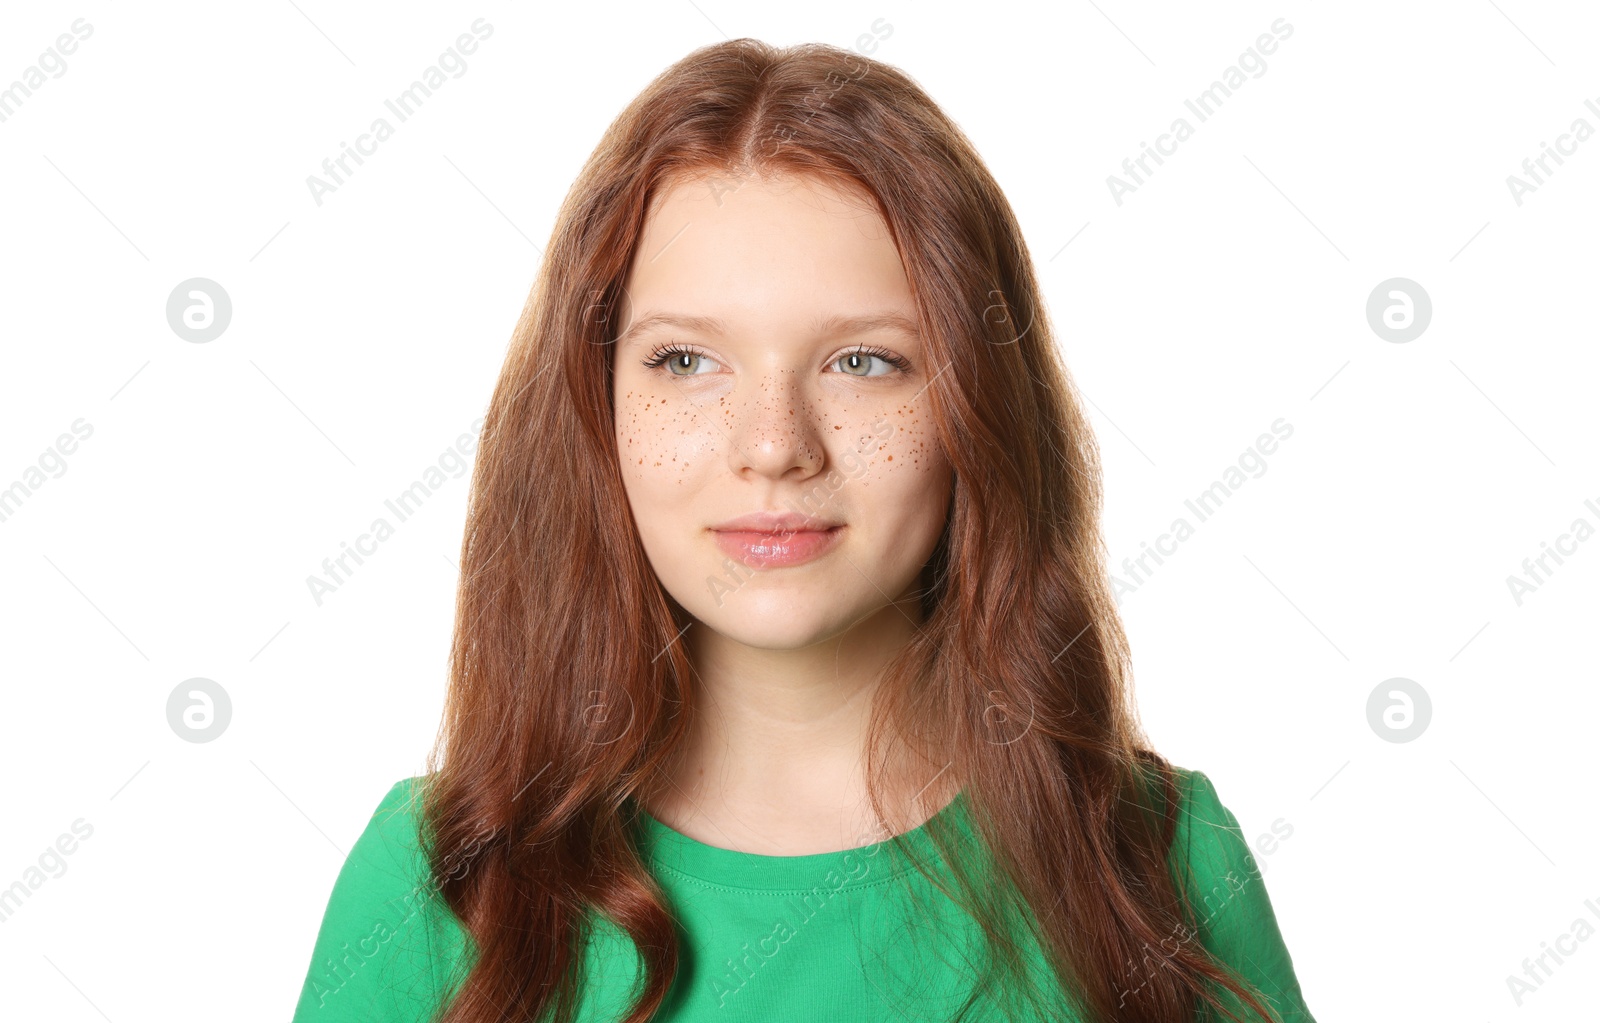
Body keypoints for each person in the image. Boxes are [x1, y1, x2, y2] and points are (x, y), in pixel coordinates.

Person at [290, 37, 1317, 1023]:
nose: (775, 446)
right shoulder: (438, 890)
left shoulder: (1162, 868)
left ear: (975, 409)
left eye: (863, 362)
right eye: (686, 362)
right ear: (593, 410)